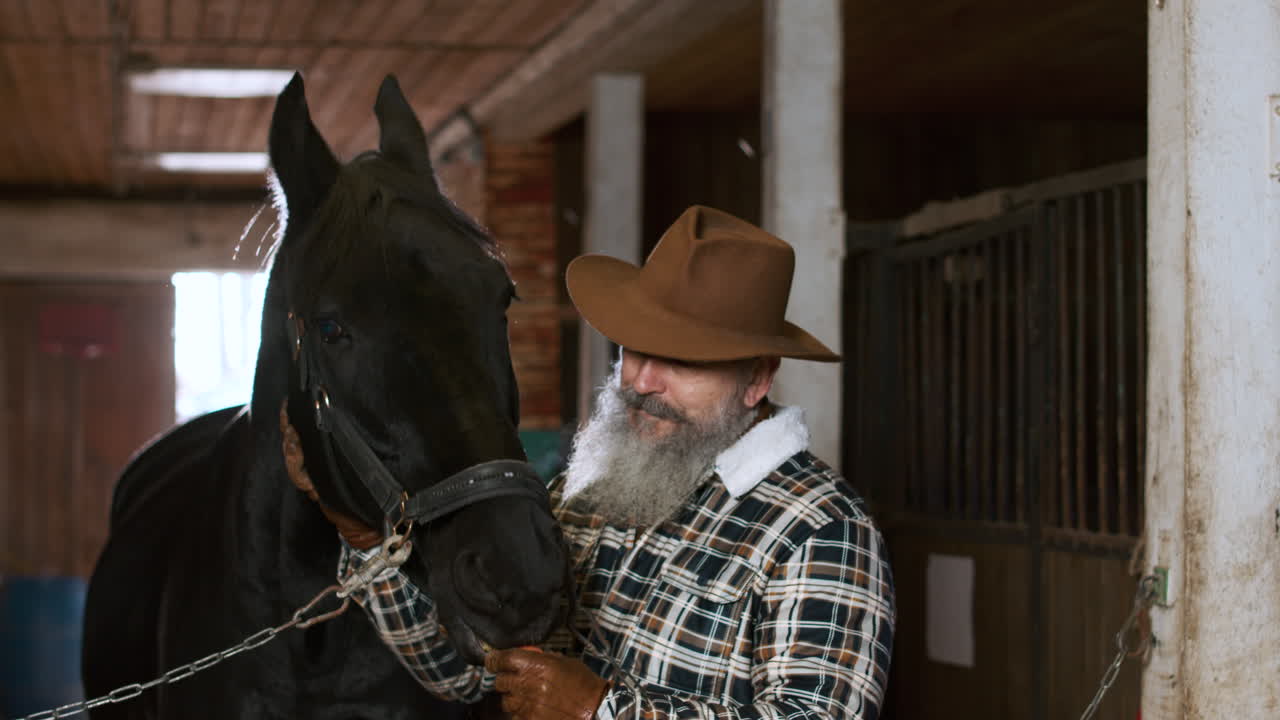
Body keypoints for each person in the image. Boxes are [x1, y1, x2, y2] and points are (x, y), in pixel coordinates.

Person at [283, 205, 896, 720]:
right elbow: (469, 675)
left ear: (757, 378)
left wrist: (602, 710)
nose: (643, 381)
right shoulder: (589, 495)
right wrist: (367, 540)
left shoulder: (821, 530)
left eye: (684, 360)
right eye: (635, 349)